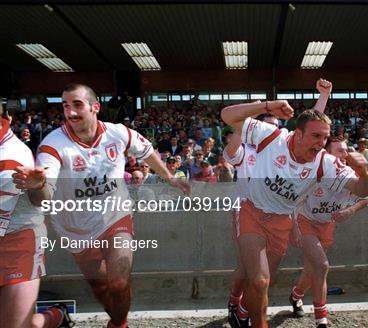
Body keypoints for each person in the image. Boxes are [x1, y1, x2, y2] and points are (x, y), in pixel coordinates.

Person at [13, 83, 190, 328]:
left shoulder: (118, 133)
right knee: (101, 289)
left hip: (115, 218)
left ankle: (118, 325)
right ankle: (64, 316)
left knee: (118, 283)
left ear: (95, 107)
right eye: (65, 106)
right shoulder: (53, 145)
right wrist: (37, 184)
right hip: (74, 229)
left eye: (77, 105)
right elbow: (43, 198)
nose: (71, 112)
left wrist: (169, 177)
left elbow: (147, 151)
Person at [221, 99, 368, 328]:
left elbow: (363, 191)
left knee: (262, 284)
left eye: (325, 138)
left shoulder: (325, 162)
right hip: (251, 212)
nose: (321, 143)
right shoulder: (272, 136)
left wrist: (363, 172)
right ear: (298, 134)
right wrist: (268, 106)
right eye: (316, 137)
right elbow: (227, 114)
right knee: (260, 280)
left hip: (281, 222)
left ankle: (241, 313)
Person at [224, 79, 336, 328]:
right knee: (249, 273)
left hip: (276, 219)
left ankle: (243, 309)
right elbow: (233, 133)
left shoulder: (284, 148)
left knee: (262, 278)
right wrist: (253, 118)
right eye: (268, 125)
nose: (275, 130)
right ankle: (235, 304)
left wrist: (323, 98)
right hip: (248, 213)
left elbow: (311, 130)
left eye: (277, 126)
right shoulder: (248, 149)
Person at [1, 104, 74, 328]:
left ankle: (55, 316)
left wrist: (38, 184)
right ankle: (55, 316)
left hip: (18, 242)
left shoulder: (13, 154)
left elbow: (41, 199)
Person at [288, 137, 368, 328]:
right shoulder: (314, 173)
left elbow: (366, 197)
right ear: (326, 156)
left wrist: (350, 210)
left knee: (312, 269)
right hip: (305, 221)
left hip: (327, 225)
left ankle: (295, 295)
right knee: (322, 265)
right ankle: (321, 319)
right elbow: (293, 201)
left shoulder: (350, 174)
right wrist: (294, 228)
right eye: (339, 151)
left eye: (346, 150)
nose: (345, 154)